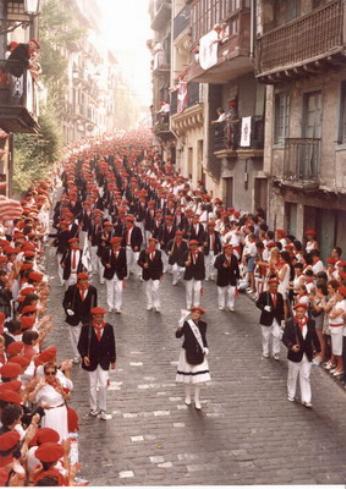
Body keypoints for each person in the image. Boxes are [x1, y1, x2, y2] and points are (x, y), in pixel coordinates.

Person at [77, 307, 116, 421]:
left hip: (104, 361)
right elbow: (80, 345)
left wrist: (113, 360)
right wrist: (84, 356)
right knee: (92, 385)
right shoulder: (86, 329)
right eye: (98, 317)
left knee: (103, 384)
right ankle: (93, 408)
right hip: (91, 361)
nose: (100, 319)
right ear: (93, 317)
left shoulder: (108, 328)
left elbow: (112, 344)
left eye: (102, 317)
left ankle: (103, 408)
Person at [282, 303, 321, 407]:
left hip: (307, 354)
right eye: (298, 311)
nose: (300, 313)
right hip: (294, 354)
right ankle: (291, 394)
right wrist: (291, 346)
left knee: (306, 376)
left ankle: (306, 399)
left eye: (302, 311)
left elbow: (314, 337)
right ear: (295, 311)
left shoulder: (311, 323)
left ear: (305, 312)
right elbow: (285, 338)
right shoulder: (290, 323)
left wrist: (318, 350)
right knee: (292, 376)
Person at [175, 307, 210, 410]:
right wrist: (180, 326)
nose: (195, 314)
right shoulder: (186, 324)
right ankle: (187, 397)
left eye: (198, 313)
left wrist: (206, 347)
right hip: (186, 352)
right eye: (194, 312)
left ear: (200, 315)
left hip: (199, 353)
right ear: (191, 314)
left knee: (198, 380)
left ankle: (197, 399)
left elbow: (203, 337)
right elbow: (178, 336)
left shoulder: (203, 324)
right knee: (187, 378)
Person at [30, 362, 72, 441]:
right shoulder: (42, 385)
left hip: (61, 411)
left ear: (56, 373)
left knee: (62, 435)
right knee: (50, 437)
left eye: (53, 373)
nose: (50, 375)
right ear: (44, 374)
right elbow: (31, 399)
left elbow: (68, 398)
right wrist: (38, 388)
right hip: (49, 414)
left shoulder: (60, 383)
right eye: (48, 373)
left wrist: (62, 391)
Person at [62, 272, 97, 364]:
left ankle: (84, 354)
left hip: (87, 318)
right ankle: (78, 355)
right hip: (74, 318)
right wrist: (68, 310)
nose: (85, 282)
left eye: (86, 280)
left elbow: (94, 305)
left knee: (86, 337)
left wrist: (94, 317)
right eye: (83, 280)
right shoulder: (72, 289)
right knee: (75, 338)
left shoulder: (93, 290)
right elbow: (65, 302)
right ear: (79, 281)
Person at [256, 277, 285, 360]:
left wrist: (282, 319)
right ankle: (265, 351)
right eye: (273, 286)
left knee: (278, 335)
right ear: (269, 286)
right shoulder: (264, 294)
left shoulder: (279, 296)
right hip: (266, 319)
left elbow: (281, 309)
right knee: (266, 336)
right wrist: (264, 307)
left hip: (277, 319)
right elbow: (258, 303)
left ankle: (276, 352)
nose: (275, 288)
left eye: (276, 286)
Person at [102, 236, 127, 314]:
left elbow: (124, 263)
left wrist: (124, 276)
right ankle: (110, 306)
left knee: (119, 290)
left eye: (119, 242)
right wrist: (106, 264)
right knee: (110, 290)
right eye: (117, 243)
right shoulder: (107, 250)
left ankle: (118, 307)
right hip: (109, 273)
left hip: (119, 274)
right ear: (113, 244)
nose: (118, 244)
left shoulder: (123, 250)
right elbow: (103, 259)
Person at [138, 237, 163, 312]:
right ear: (149, 243)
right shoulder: (143, 252)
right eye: (151, 243)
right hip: (147, 273)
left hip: (156, 274)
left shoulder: (159, 252)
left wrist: (161, 273)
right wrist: (143, 265)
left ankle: (157, 304)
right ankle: (149, 303)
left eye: (154, 243)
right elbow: (139, 261)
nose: (153, 245)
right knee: (148, 289)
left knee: (155, 289)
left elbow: (160, 263)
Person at [214, 243, 240, 311]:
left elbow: (237, 268)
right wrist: (223, 266)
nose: (231, 250)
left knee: (232, 292)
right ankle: (221, 305)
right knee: (221, 293)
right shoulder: (219, 257)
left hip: (231, 278)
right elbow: (216, 266)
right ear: (225, 250)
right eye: (229, 249)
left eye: (231, 249)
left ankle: (230, 305)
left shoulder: (234, 257)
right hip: (222, 278)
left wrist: (237, 276)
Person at [183, 240, 205, 310]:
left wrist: (203, 275)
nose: (194, 247)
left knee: (197, 290)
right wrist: (185, 263)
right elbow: (180, 261)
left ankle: (196, 305)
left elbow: (202, 265)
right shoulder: (187, 253)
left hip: (198, 275)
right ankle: (188, 304)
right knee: (189, 291)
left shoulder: (201, 254)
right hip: (189, 274)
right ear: (190, 246)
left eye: (195, 245)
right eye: (192, 245)